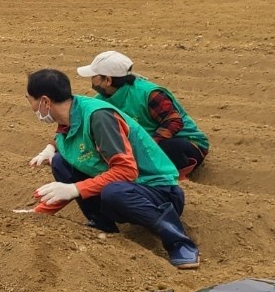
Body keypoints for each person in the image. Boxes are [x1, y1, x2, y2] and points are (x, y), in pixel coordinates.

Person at [24, 69, 199, 269]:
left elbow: (126, 172)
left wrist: (74, 189)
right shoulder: (71, 115)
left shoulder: (99, 117)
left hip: (158, 189)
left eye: (29, 99)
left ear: (45, 102)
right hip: (129, 186)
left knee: (113, 192)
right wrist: (38, 213)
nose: (30, 105)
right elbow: (64, 149)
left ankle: (179, 242)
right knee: (61, 163)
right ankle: (102, 224)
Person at [78, 51, 210, 178]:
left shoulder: (148, 94)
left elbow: (174, 121)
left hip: (187, 144)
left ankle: (176, 177)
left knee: (168, 148)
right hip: (145, 147)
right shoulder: (100, 100)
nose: (91, 81)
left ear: (107, 80)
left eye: (94, 76)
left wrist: (147, 147)